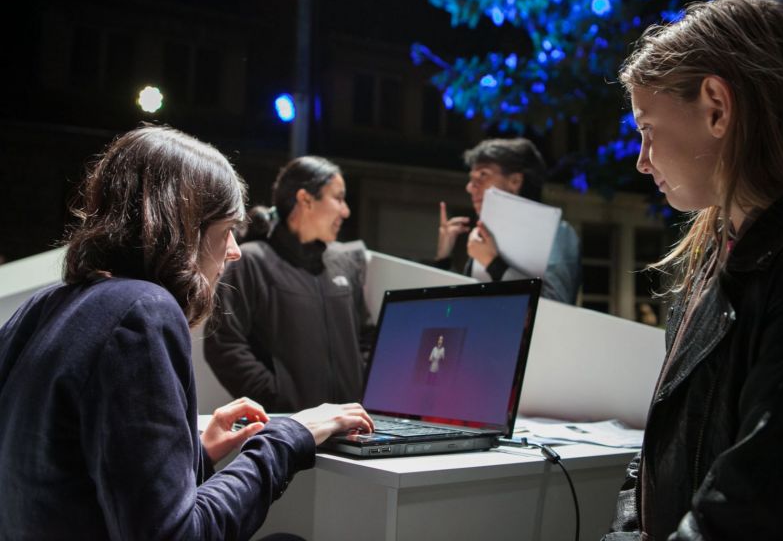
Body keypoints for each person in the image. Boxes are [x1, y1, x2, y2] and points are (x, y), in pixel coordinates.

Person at [0, 126, 373, 540]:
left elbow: (77, 477)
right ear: (186, 226)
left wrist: (195, 456)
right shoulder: (142, 312)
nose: (233, 249)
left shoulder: (44, 304)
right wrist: (289, 436)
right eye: (227, 228)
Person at [603, 0, 783, 540]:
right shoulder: (713, 254)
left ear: (716, 106)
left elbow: (756, 508)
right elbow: (659, 448)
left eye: (647, 129)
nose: (642, 161)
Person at [205, 156, 369, 413]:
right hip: (287, 432)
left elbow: (365, 338)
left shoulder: (343, 263)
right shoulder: (252, 261)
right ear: (305, 199)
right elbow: (224, 344)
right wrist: (278, 399)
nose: (345, 210)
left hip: (350, 427)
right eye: (338, 198)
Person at [434, 137, 581, 304]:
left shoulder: (557, 232)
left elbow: (557, 305)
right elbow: (459, 307)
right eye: (471, 178)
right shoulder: (483, 236)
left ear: (515, 181)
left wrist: (492, 263)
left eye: (483, 175)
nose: (470, 186)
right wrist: (444, 257)